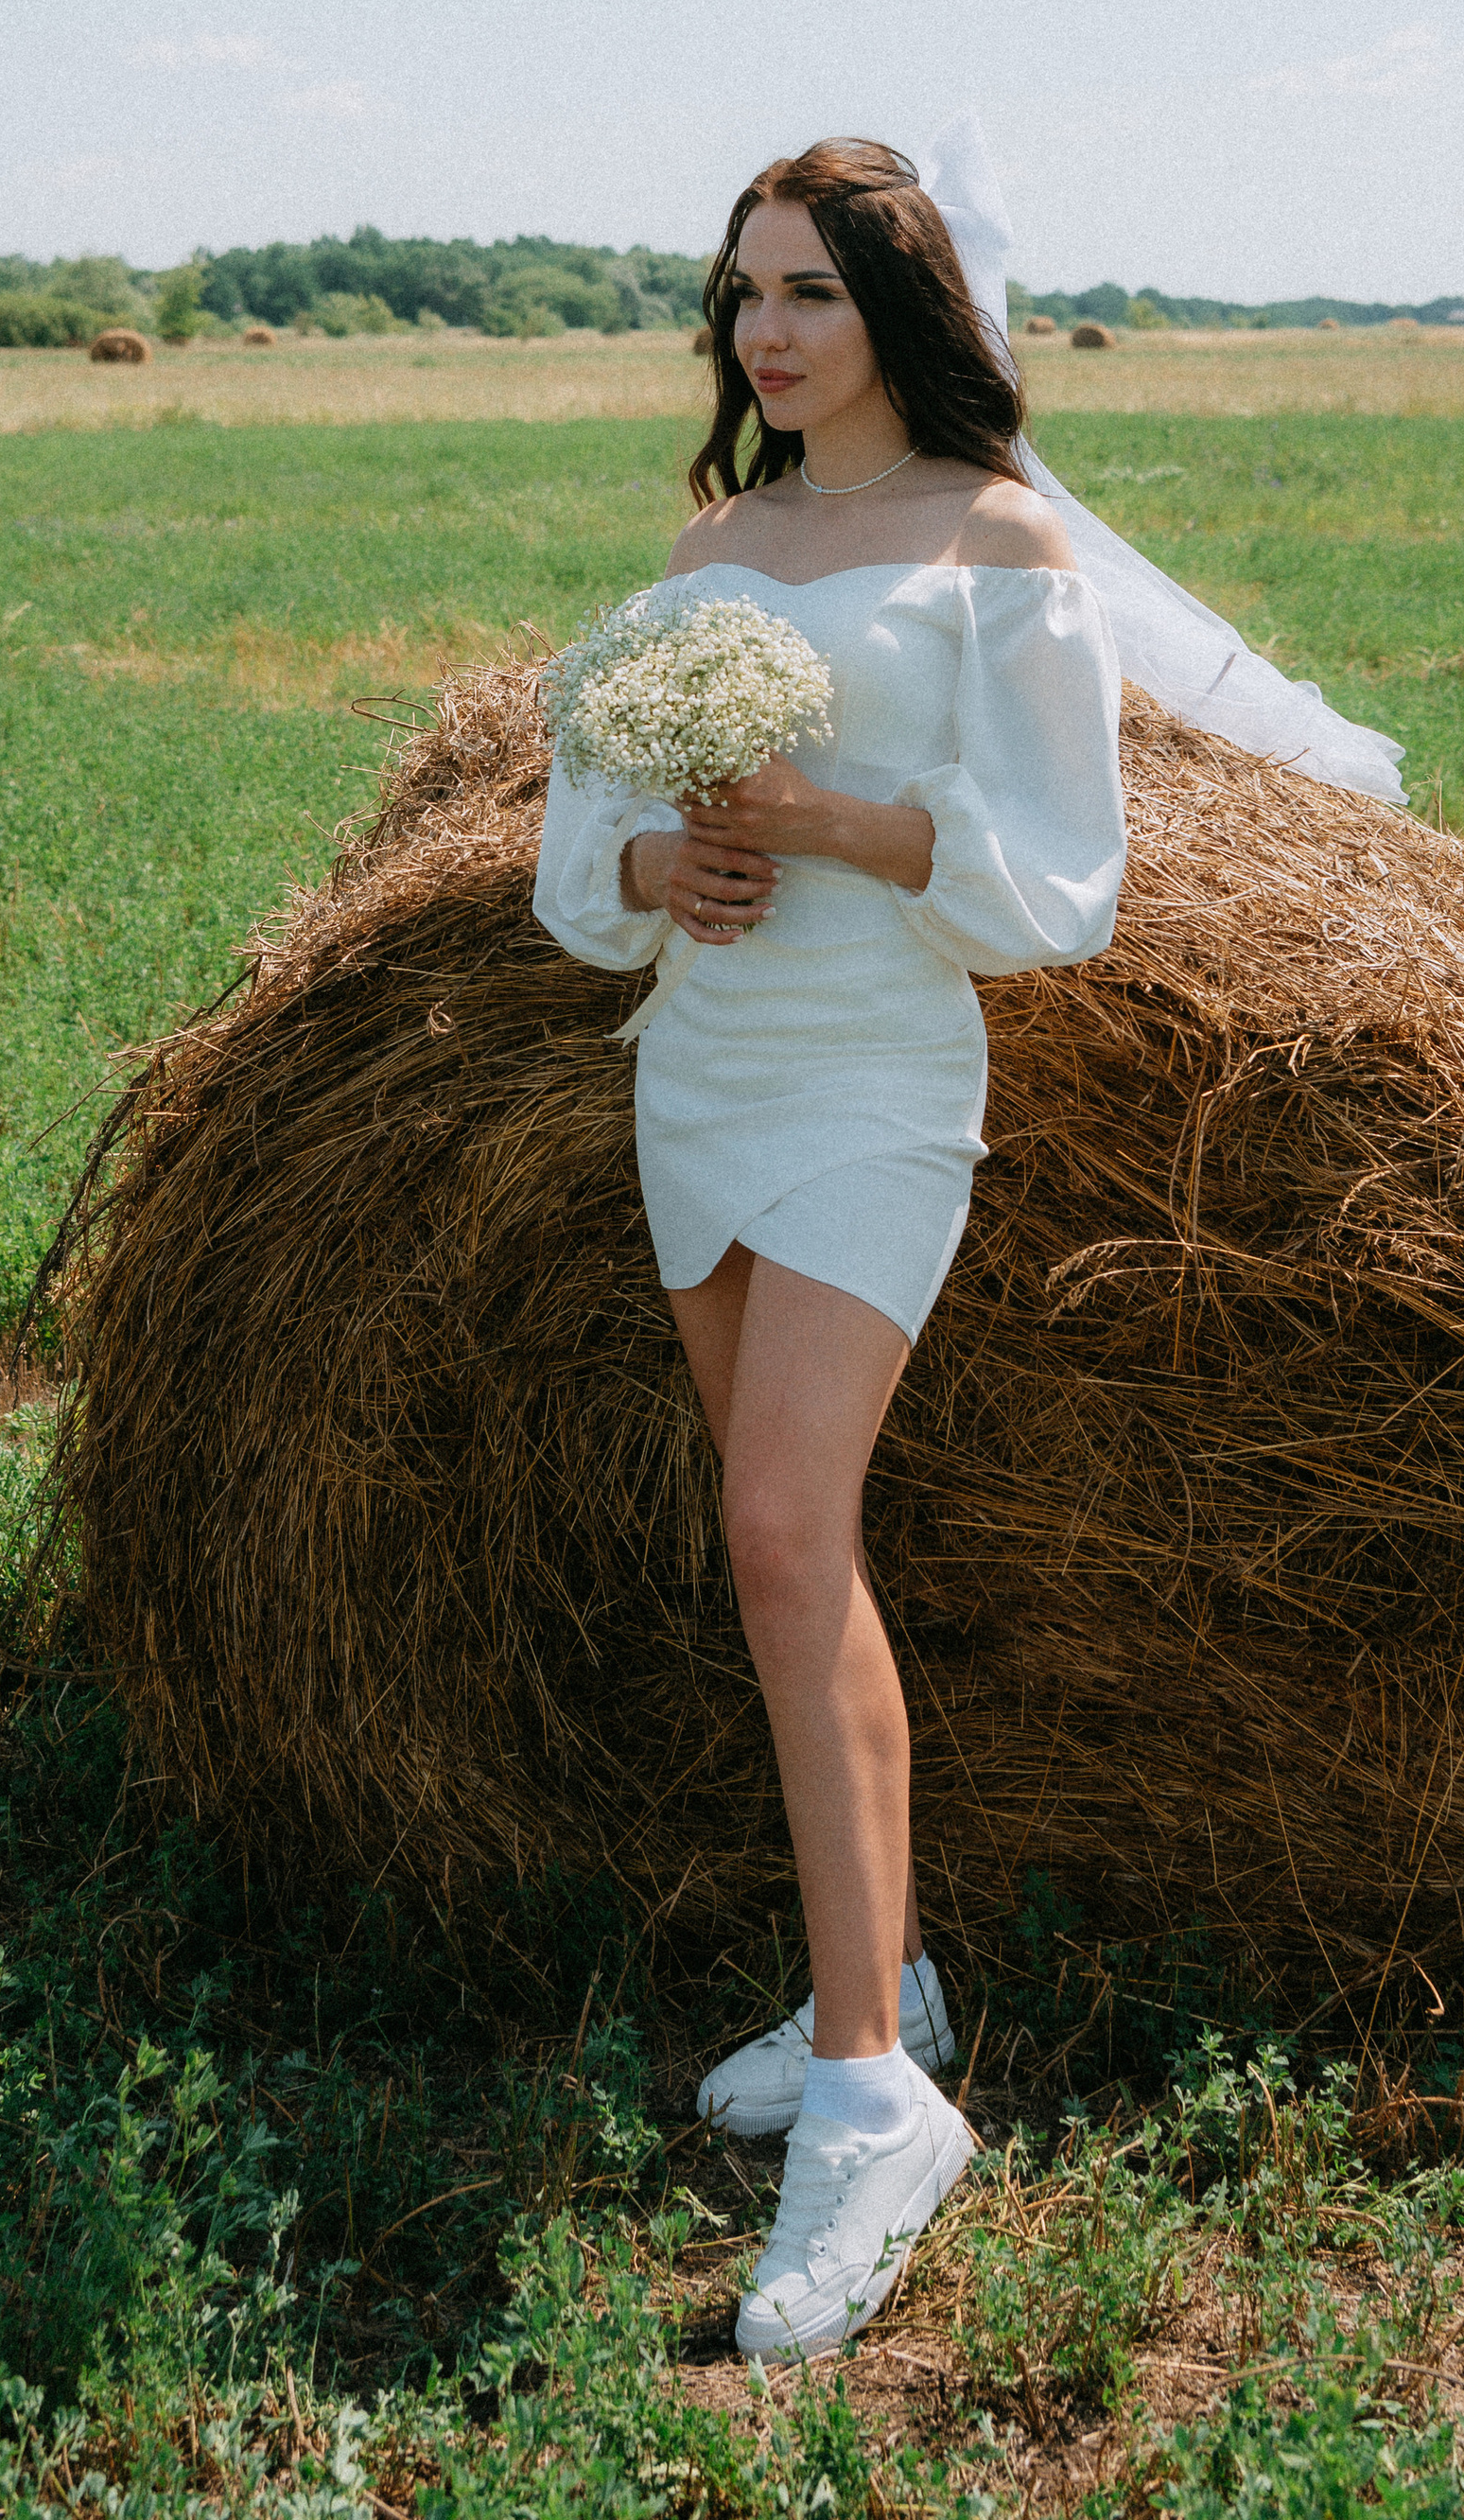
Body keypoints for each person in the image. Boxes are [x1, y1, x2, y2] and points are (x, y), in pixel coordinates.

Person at [532, 137, 1127, 2361]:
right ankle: (886, 1980)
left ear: (896, 311)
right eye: (739, 295)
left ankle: (873, 2109)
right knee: (799, 1563)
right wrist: (655, 871)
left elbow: (1063, 883)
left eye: (806, 292)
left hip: (880, 1077)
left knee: (779, 1528)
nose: (765, 332)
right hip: (699, 1069)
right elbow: (579, 814)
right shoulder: (710, 549)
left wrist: (831, 826)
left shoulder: (998, 546)